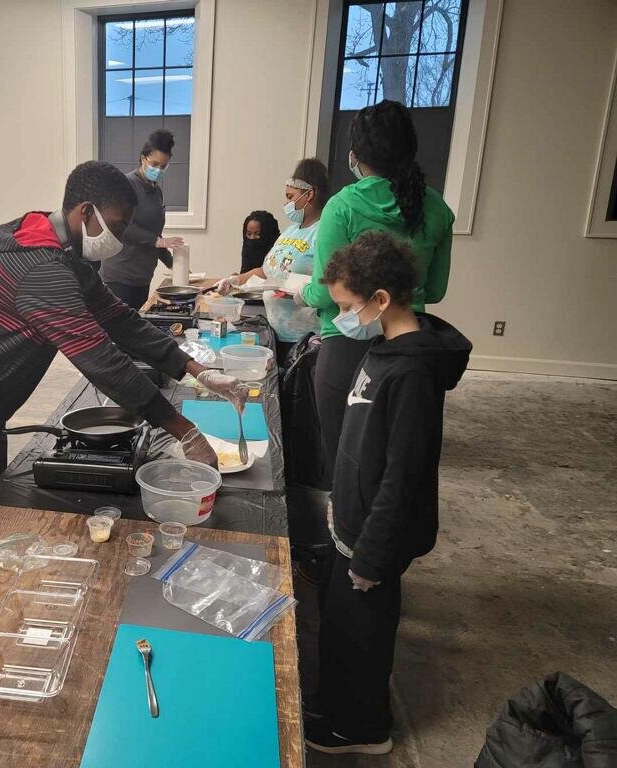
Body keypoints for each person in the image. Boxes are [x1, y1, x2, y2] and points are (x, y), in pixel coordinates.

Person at [0, 161, 249, 601]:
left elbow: (120, 323)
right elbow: (103, 361)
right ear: (85, 213)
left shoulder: (66, 260)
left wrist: (198, 369)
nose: (122, 237)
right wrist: (184, 431)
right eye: (117, 225)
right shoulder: (42, 270)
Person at [304, 231, 470, 755]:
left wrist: (372, 554)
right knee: (337, 628)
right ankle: (334, 703)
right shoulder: (381, 349)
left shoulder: (414, 372)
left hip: (374, 541)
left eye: (347, 307)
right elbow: (358, 444)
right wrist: (338, 502)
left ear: (380, 300)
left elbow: (404, 474)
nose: (342, 319)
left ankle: (363, 728)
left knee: (363, 640)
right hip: (350, 524)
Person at [298, 100, 455, 488]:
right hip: (409, 346)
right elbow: (434, 289)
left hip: (347, 347)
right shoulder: (436, 209)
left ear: (356, 155)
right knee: (396, 461)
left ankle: (343, 539)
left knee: (342, 460)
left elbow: (323, 295)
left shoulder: (343, 206)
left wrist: (302, 292)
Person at [217, 159, 330, 361]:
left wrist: (293, 291)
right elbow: (266, 271)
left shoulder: (323, 232)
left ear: (309, 194)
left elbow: (325, 284)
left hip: (303, 339)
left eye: (290, 197)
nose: (286, 204)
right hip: (275, 331)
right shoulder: (291, 231)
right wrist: (235, 280)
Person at [101, 129, 185, 309]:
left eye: (163, 167)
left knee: (138, 327)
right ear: (142, 158)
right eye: (155, 164)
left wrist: (176, 266)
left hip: (142, 277)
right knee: (121, 331)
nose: (158, 170)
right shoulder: (125, 184)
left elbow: (156, 237)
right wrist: (158, 241)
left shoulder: (156, 191)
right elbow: (122, 225)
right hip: (120, 276)